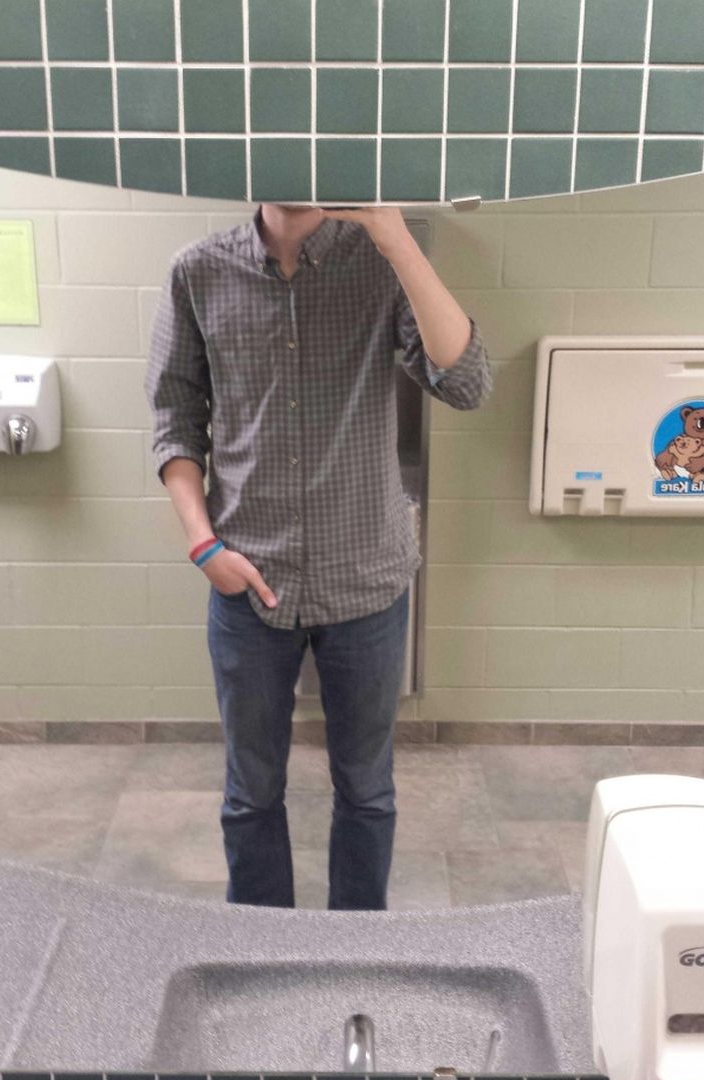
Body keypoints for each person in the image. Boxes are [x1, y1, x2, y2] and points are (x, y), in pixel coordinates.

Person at [145, 202, 492, 911]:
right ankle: (260, 947)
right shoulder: (198, 272)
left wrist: (396, 240)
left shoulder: (380, 263)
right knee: (250, 792)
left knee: (366, 789)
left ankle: (355, 946)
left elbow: (466, 383)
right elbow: (175, 421)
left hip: (366, 578)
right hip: (247, 577)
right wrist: (202, 544)